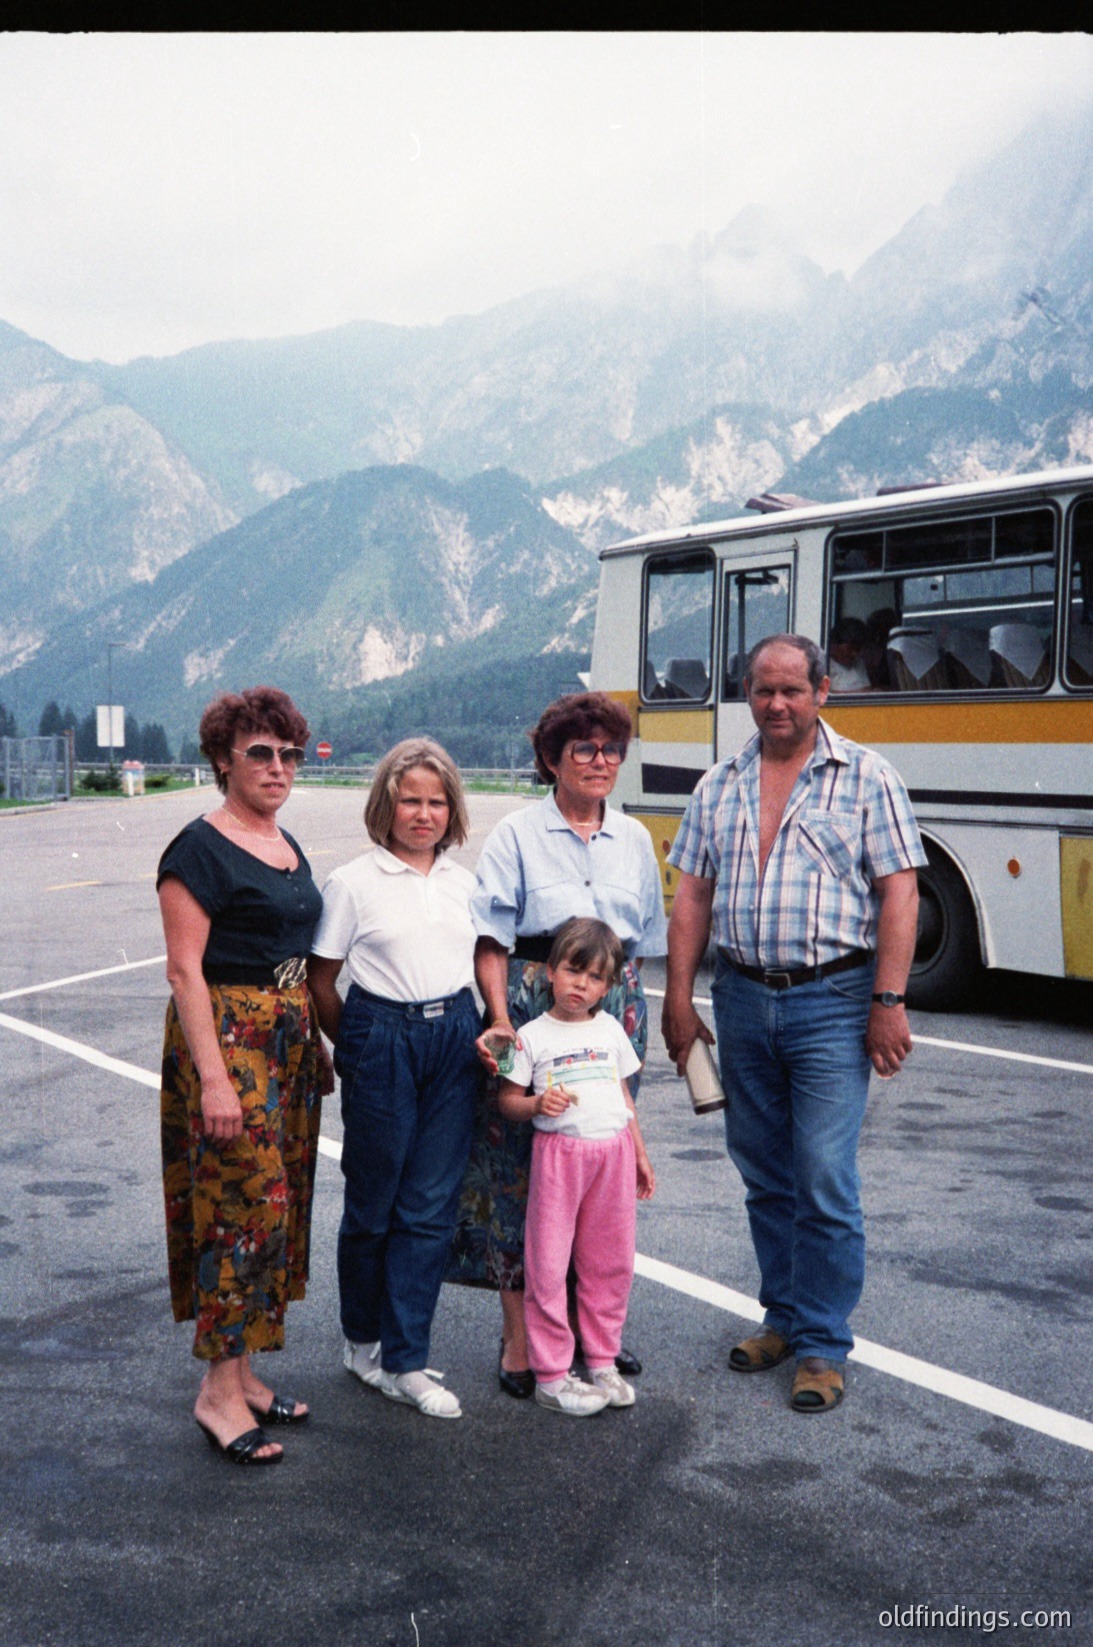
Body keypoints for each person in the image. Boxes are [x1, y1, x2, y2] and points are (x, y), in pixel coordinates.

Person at [662, 634, 925, 1415]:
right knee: (762, 1169)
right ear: (747, 692)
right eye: (762, 689)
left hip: (832, 1002)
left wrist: (887, 1000)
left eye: (791, 690)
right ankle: (780, 1315)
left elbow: (900, 893)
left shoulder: (869, 778)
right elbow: (692, 897)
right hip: (741, 998)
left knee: (821, 1172)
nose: (776, 704)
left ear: (821, 691)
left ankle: (820, 1343)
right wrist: (679, 1002)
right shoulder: (720, 782)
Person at [446, 691, 667, 1398]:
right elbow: (489, 939)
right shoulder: (516, 831)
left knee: (596, 1164)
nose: (600, 762)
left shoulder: (632, 838)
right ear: (551, 758)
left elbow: (643, 944)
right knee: (518, 1173)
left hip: (610, 1004)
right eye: (583, 750)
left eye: (610, 750)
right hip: (530, 1001)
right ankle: (521, 1339)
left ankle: (588, 1339)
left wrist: (635, 1017)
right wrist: (499, 1018)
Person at [158, 686, 328, 1466]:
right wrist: (216, 1080)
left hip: (287, 1040)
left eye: (288, 753)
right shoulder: (197, 848)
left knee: (279, 1202)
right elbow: (185, 973)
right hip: (230, 1040)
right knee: (240, 1208)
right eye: (260, 752)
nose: (277, 766)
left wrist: (315, 1040)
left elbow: (295, 958)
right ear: (223, 758)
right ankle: (216, 1394)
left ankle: (247, 1372)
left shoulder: (285, 842)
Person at [308, 738, 479, 1420]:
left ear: (451, 809)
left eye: (436, 801)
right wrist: (354, 1045)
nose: (423, 813)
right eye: (410, 798)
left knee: (430, 1204)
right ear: (386, 803)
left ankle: (407, 1358)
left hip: (455, 1038)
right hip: (382, 1034)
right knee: (374, 1201)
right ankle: (363, 1342)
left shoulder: (464, 883)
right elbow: (321, 979)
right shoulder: (354, 881)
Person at [498, 918, 655, 1417]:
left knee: (608, 1261)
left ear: (607, 988)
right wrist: (537, 1104)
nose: (580, 985)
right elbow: (507, 1102)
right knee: (548, 1263)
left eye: (593, 978)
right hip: (559, 1160)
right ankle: (550, 1374)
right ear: (550, 971)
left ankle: (602, 1359)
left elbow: (623, 1095)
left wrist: (640, 1155)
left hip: (612, 1155)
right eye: (572, 971)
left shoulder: (610, 1029)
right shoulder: (528, 1036)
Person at [826, 616, 871, 692]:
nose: (855, 654)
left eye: (858, 649)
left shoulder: (858, 662)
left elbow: (867, 688)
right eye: (851, 648)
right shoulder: (824, 665)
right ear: (834, 644)